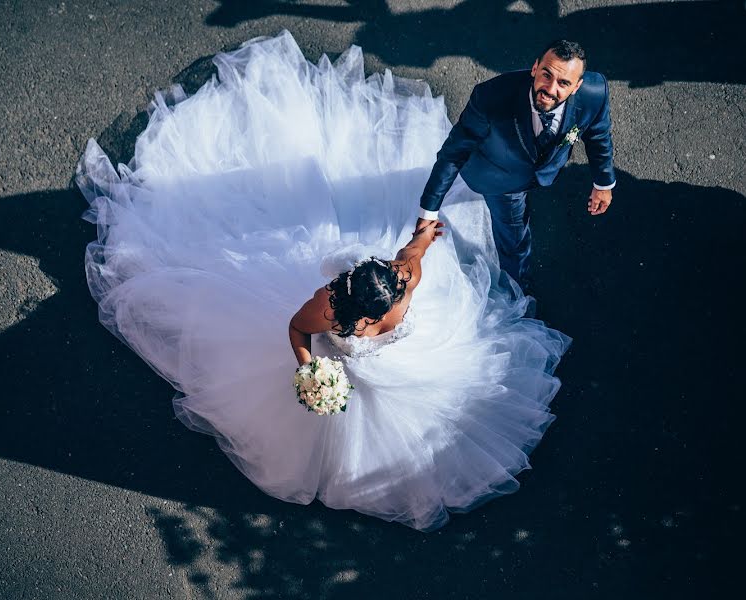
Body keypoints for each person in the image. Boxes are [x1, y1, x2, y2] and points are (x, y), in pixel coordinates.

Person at [76, 31, 570, 531]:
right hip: (367, 362)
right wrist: (311, 366)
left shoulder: (370, 295)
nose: (396, 276)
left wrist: (422, 235)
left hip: (387, 372)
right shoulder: (355, 296)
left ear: (376, 302)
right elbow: (308, 320)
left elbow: (377, 278)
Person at [418, 40, 616, 286]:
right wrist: (428, 211)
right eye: (546, 75)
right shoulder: (491, 96)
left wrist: (603, 182)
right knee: (514, 241)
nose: (551, 89)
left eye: (563, 83)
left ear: (577, 87)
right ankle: (516, 287)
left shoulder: (595, 94)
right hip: (500, 179)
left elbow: (598, 135)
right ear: (535, 68)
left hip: (543, 170)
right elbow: (454, 153)